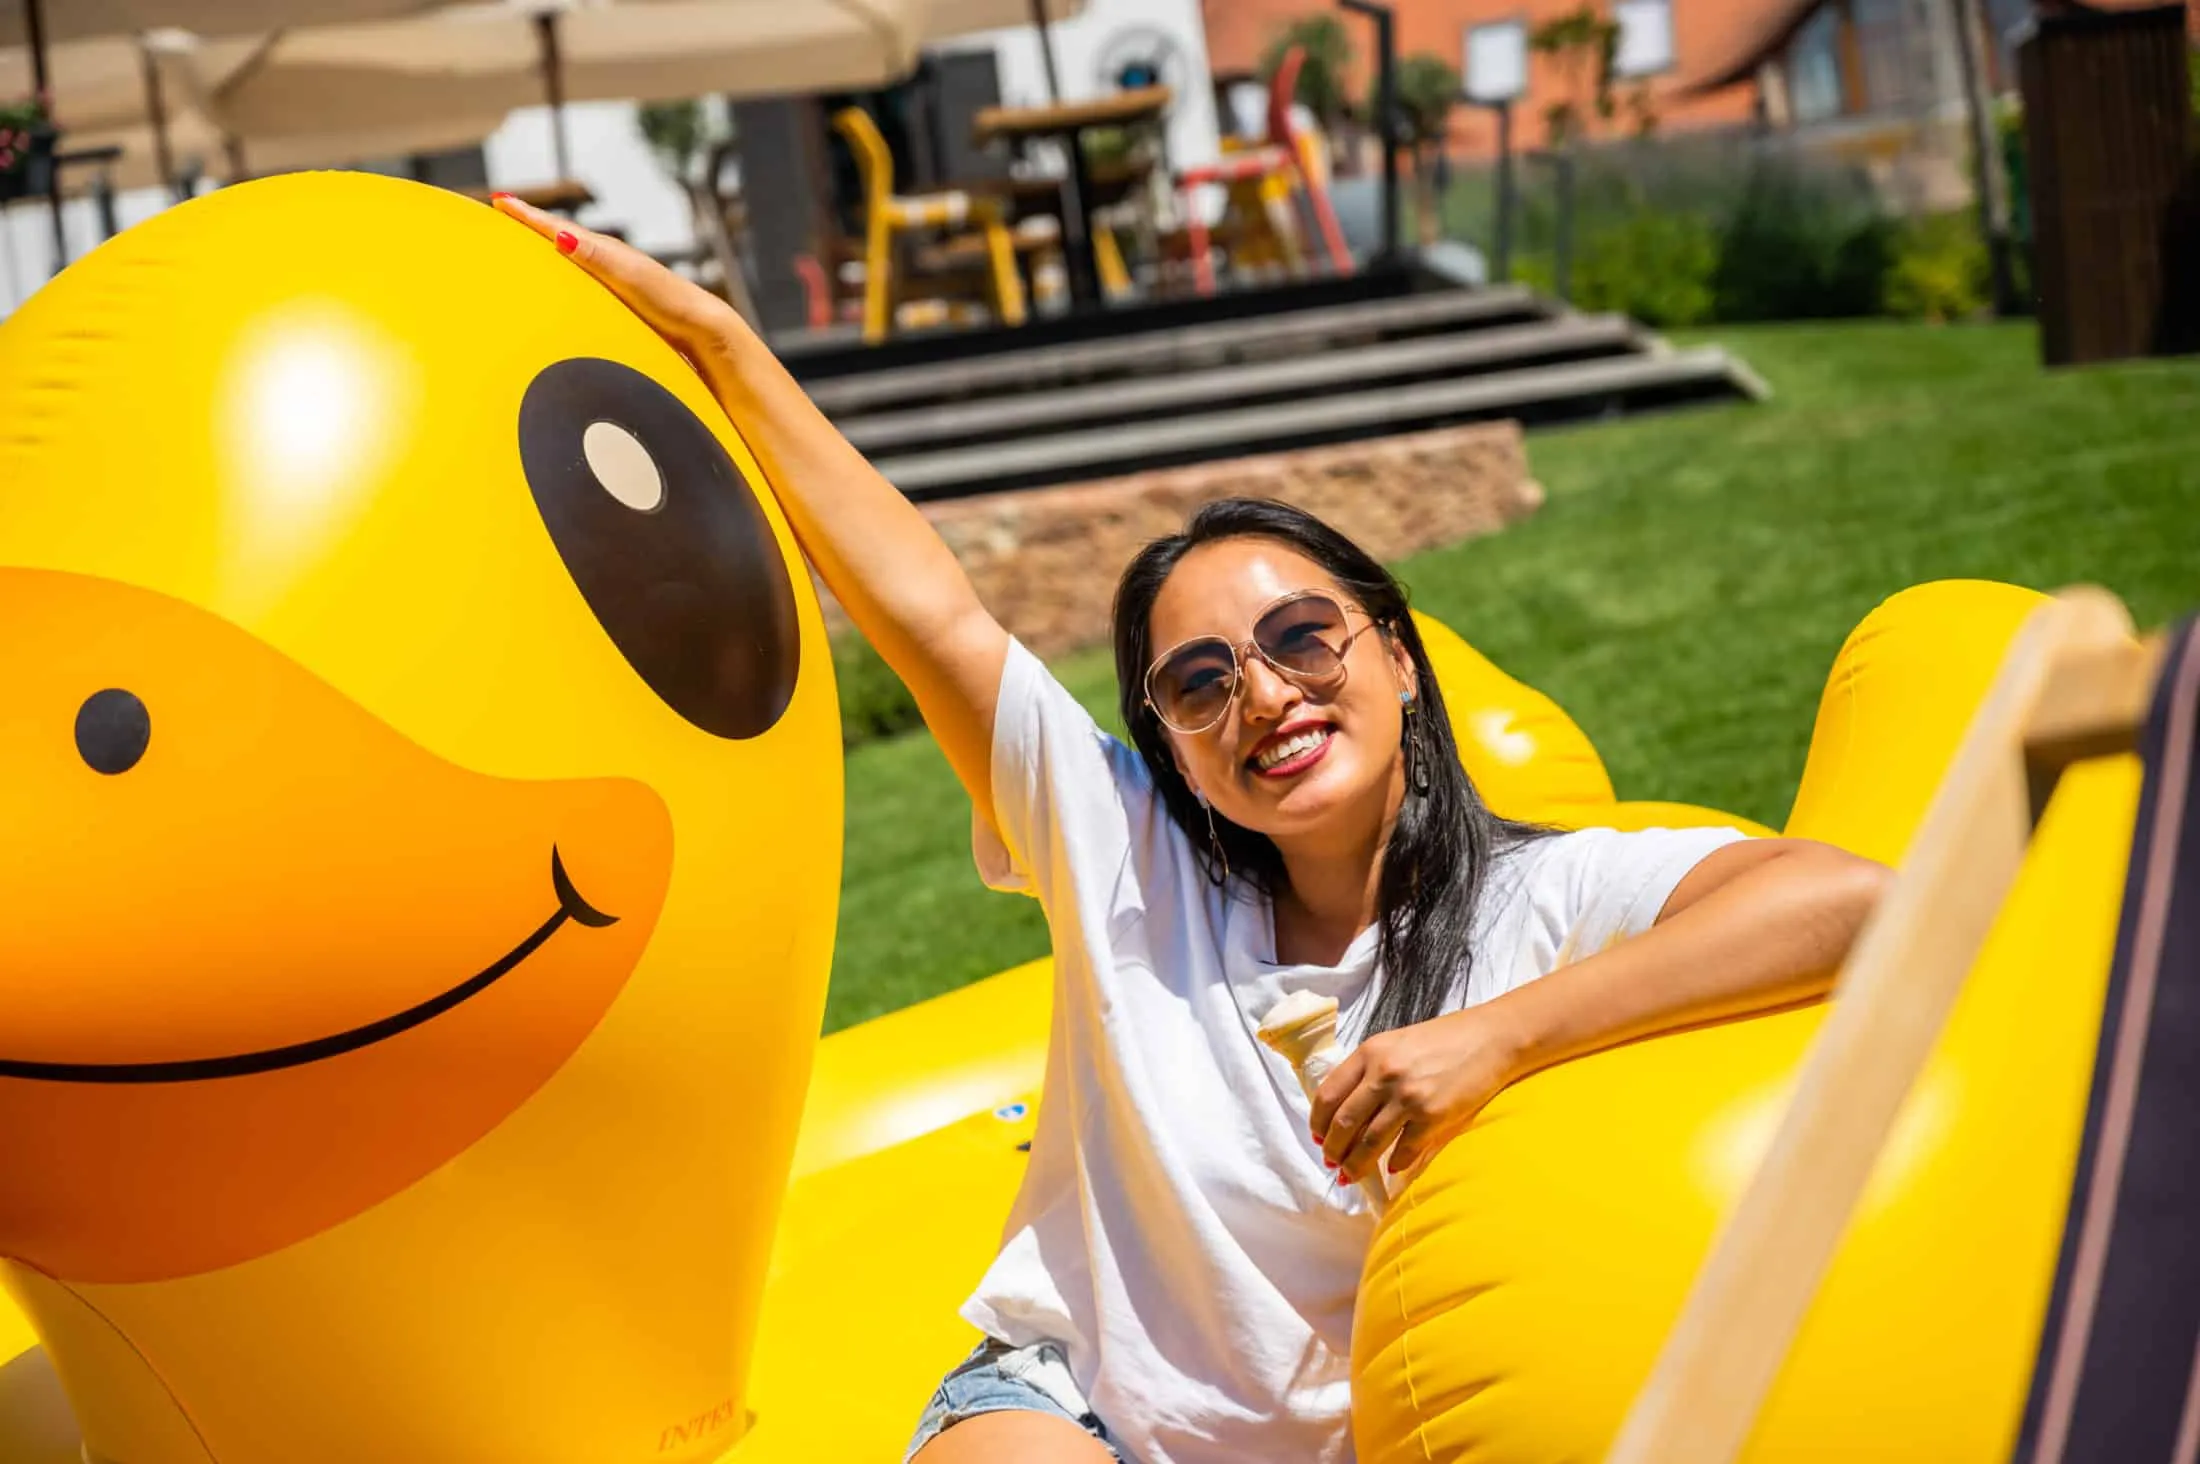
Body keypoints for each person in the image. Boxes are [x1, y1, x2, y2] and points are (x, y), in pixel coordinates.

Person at [491, 196, 1892, 1464]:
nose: (1263, 695)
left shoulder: (1543, 898)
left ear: (1402, 659)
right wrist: (721, 342)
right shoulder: (1125, 853)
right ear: (1168, 741)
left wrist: (1496, 1038)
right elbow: (928, 612)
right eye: (1200, 682)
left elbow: (1851, 902)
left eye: (1302, 637)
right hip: (1075, 1406)